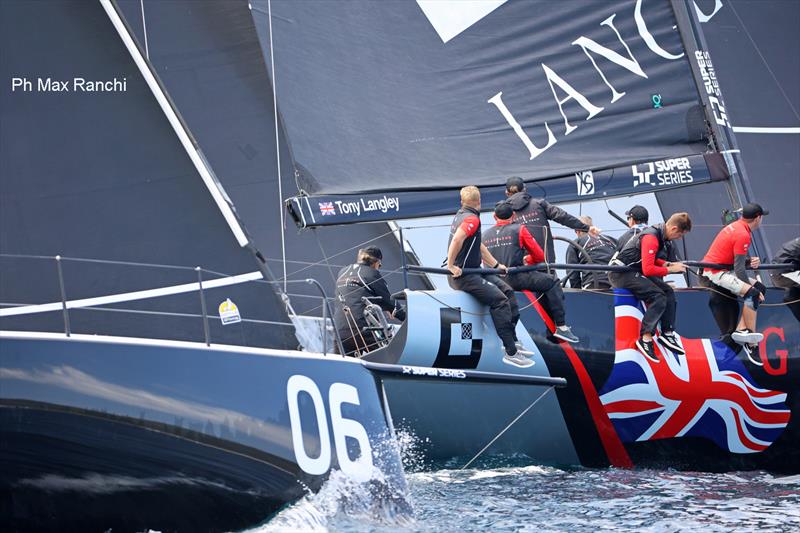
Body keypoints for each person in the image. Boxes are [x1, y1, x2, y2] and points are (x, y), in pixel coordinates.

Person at [446, 186, 534, 368]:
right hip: (463, 276)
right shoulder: (471, 219)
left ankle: (514, 340)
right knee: (500, 301)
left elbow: (478, 246)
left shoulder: (462, 214)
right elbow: (457, 239)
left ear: (462, 202)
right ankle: (510, 353)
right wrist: (450, 265)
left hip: (474, 272)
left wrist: (495, 265)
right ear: (479, 202)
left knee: (507, 291)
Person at [483, 201, 580, 343]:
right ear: (514, 215)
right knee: (552, 281)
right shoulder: (519, 229)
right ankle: (561, 327)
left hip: (494, 282)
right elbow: (540, 256)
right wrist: (528, 259)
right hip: (515, 278)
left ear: (494, 216)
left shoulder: (484, 235)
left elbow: (484, 262)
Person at [609, 213, 692, 362]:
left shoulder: (660, 233)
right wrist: (670, 270)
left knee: (668, 291)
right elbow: (647, 269)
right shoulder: (652, 237)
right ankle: (645, 339)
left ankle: (667, 333)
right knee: (658, 296)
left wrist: (667, 264)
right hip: (620, 274)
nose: (679, 238)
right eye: (680, 235)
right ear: (673, 229)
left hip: (632, 270)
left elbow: (650, 258)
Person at [701, 203, 768, 364]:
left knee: (760, 288)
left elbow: (735, 259)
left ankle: (741, 331)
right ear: (758, 218)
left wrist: (749, 261)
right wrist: (750, 288)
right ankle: (750, 342)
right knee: (752, 293)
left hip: (722, 267)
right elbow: (739, 270)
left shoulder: (737, 226)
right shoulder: (743, 234)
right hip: (715, 272)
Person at [505, 176, 600, 262]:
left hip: (520, 265)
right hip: (545, 262)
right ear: (525, 189)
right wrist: (586, 228)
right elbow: (562, 217)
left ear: (507, 193)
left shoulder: (503, 212)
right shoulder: (538, 204)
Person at [333, 246, 405, 356]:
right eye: (379, 265)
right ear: (376, 262)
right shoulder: (372, 273)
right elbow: (390, 301)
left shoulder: (342, 272)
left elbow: (357, 293)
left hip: (340, 331)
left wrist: (384, 306)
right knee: (388, 356)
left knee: (343, 365)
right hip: (364, 330)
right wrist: (408, 317)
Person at [565, 215, 617, 290]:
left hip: (593, 285)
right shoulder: (611, 240)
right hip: (617, 284)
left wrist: (576, 292)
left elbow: (572, 273)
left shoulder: (575, 243)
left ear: (577, 231)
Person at [770, 237, 800, 322]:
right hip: (783, 274)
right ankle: (790, 297)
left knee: (793, 295)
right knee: (791, 296)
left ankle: (791, 296)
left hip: (784, 272)